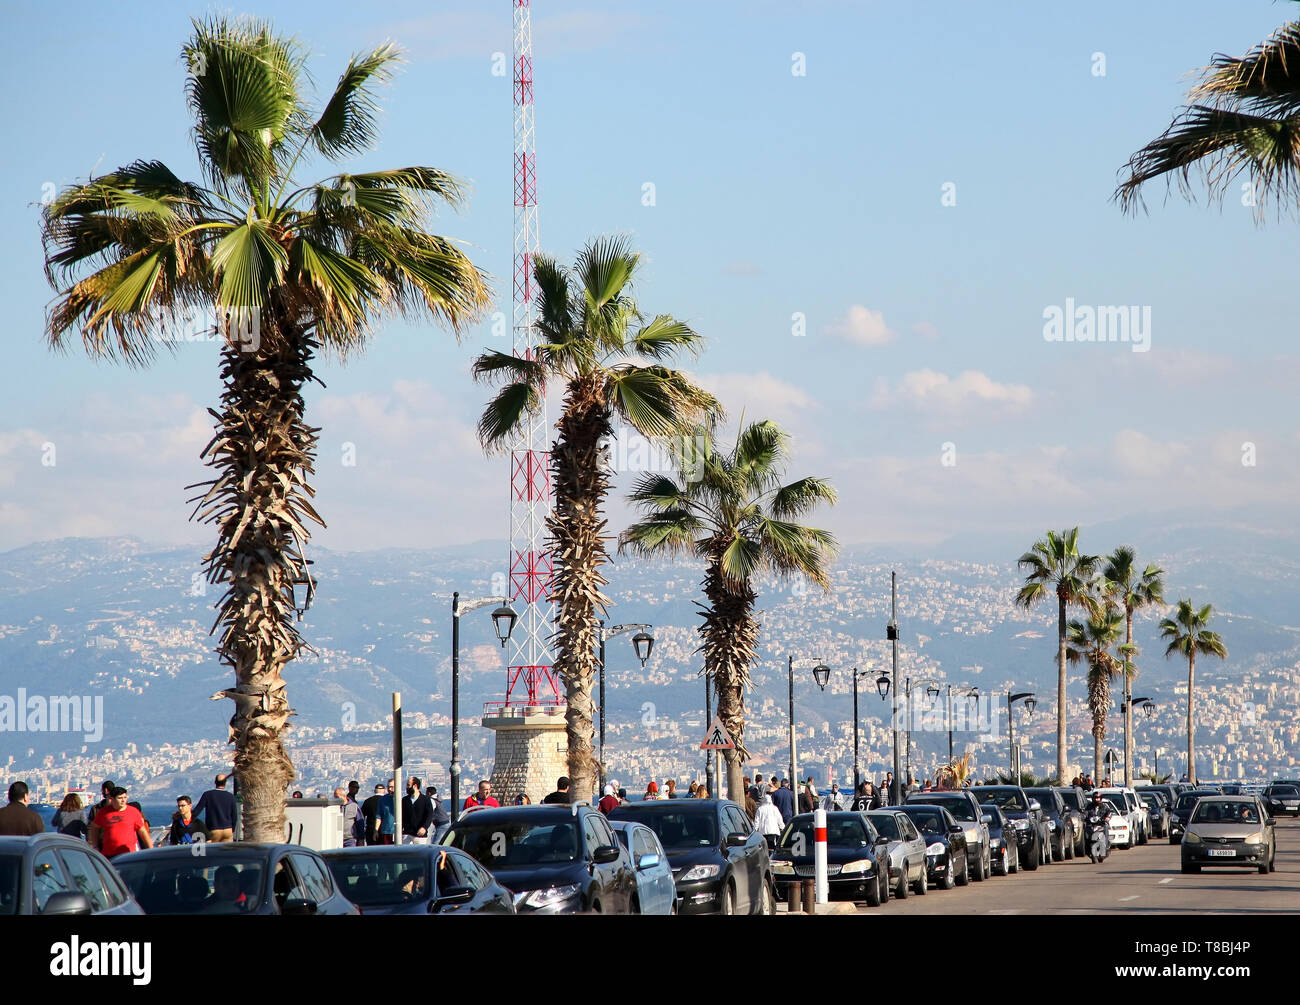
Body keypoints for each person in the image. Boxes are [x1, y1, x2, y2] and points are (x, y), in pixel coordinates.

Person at [88, 786, 152, 858]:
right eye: (120, 798)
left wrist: (151, 849)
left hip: (129, 853)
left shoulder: (133, 812)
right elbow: (95, 828)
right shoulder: (103, 813)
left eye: (125, 797)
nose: (123, 800)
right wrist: (95, 846)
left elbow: (143, 832)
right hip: (108, 854)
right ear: (112, 799)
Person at [193, 774, 237, 842]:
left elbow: (197, 811)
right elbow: (234, 816)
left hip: (214, 829)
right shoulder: (231, 796)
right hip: (228, 830)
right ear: (225, 783)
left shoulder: (207, 795)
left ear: (215, 782)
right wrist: (232, 829)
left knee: (212, 851)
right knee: (225, 852)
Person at [402, 776, 433, 844]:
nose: (407, 787)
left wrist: (424, 827)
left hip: (420, 835)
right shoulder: (404, 800)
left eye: (408, 785)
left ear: (415, 786)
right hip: (406, 834)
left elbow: (429, 815)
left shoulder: (426, 800)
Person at [375, 780, 396, 844]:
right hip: (385, 832)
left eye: (392, 787)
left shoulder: (402, 800)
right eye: (388, 787)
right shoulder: (383, 800)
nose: (389, 789)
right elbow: (378, 816)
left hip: (397, 832)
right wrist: (375, 831)